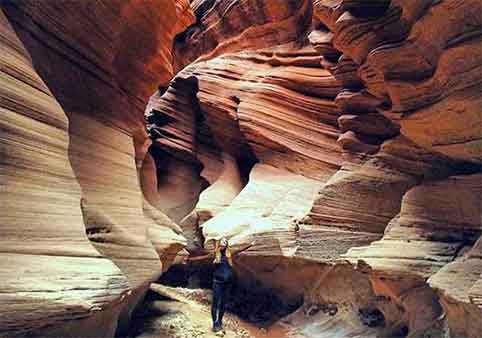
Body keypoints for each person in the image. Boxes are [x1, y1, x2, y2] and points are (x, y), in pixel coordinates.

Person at [184, 237, 255, 332]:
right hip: (218, 282)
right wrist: (189, 259)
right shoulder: (215, 254)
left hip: (228, 282)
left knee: (223, 304)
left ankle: (220, 321)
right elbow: (202, 258)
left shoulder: (229, 254)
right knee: (215, 303)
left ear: (226, 245)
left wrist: (251, 244)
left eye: (225, 243)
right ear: (219, 244)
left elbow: (240, 249)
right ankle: (215, 323)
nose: (223, 244)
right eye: (222, 243)